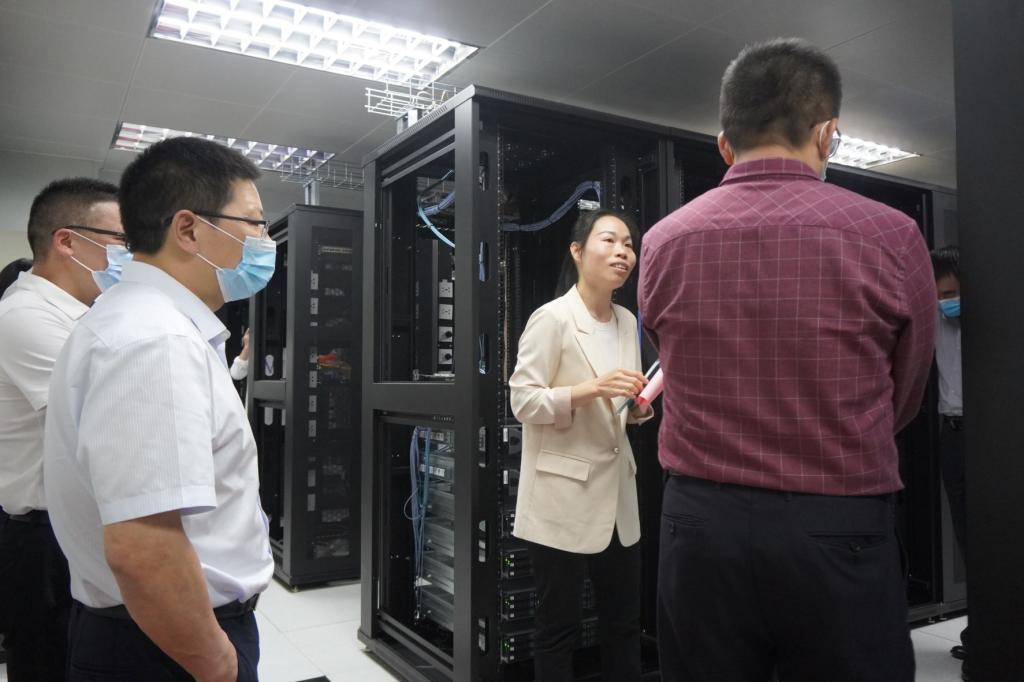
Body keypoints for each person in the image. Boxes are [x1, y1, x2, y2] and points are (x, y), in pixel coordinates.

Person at [639, 38, 935, 681]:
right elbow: (906, 390)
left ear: (725, 144)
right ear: (828, 134)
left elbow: (669, 360)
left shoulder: (663, 242)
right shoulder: (892, 236)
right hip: (837, 521)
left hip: (700, 526)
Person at [43, 137, 276, 681]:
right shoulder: (155, 340)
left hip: (152, 634)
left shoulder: (144, 324)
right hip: (164, 648)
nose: (266, 242)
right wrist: (218, 665)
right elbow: (143, 548)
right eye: (255, 223)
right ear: (188, 230)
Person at [510, 209, 653, 681]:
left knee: (624, 624)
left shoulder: (627, 320)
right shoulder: (552, 318)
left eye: (628, 244)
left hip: (618, 500)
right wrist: (588, 390)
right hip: (562, 498)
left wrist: (637, 408)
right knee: (558, 629)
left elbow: (618, 404)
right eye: (609, 241)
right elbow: (522, 401)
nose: (622, 252)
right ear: (577, 251)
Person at [0, 178, 123, 682]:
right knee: (48, 665)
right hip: (41, 539)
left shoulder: (81, 315)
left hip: (73, 527)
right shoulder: (26, 316)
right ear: (67, 240)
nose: (129, 254)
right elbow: (108, 416)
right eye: (120, 240)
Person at [931, 244, 969, 675]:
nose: (947, 302)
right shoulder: (934, 320)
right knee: (967, 537)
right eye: (940, 295)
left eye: (952, 294)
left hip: (992, 436)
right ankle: (981, 632)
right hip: (953, 434)